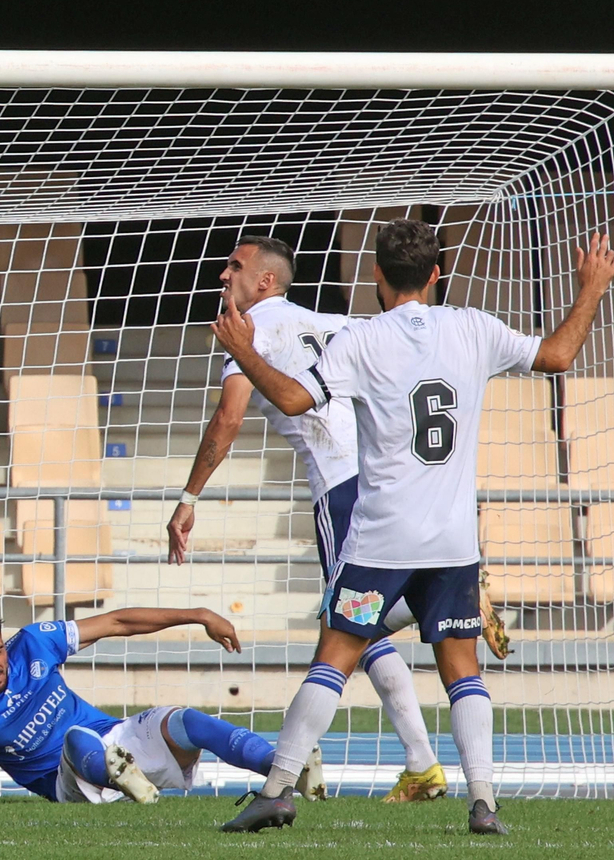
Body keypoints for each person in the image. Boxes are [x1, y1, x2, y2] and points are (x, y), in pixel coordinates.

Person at [213, 221, 614, 835]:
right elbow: (557, 355)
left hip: (381, 538)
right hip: (453, 540)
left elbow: (293, 400)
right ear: (435, 274)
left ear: (376, 274)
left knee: (334, 656)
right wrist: (590, 289)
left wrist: (245, 351)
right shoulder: (473, 327)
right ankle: (483, 804)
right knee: (462, 671)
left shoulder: (362, 339)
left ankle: (276, 791)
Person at [166, 235, 444, 803]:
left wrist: (189, 497)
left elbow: (228, 418)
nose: (223, 275)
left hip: (340, 490)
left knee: (350, 621)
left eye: (235, 266)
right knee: (358, 629)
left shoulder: (251, 332)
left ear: (265, 281)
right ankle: (421, 764)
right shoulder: (334, 323)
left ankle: (426, 604)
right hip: (389, 476)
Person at [0, 605, 310, 805]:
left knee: (186, 722)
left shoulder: (33, 643)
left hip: (118, 742)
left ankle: (286, 768)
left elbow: (117, 623)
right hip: (70, 783)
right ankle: (122, 779)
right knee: (76, 738)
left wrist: (198, 615)